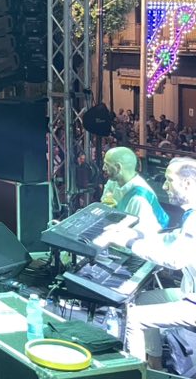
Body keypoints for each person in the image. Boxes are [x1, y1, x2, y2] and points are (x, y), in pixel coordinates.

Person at [94, 157, 196, 369]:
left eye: (169, 180)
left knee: (135, 317)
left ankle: (138, 373)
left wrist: (130, 243)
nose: (164, 186)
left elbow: (174, 259)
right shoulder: (191, 214)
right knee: (142, 300)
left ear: (187, 183)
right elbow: (172, 238)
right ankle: (154, 364)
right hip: (189, 292)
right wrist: (134, 234)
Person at [100, 146, 169, 234]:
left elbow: (139, 234)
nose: (103, 168)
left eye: (106, 165)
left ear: (118, 167)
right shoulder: (113, 182)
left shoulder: (140, 198)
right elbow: (105, 206)